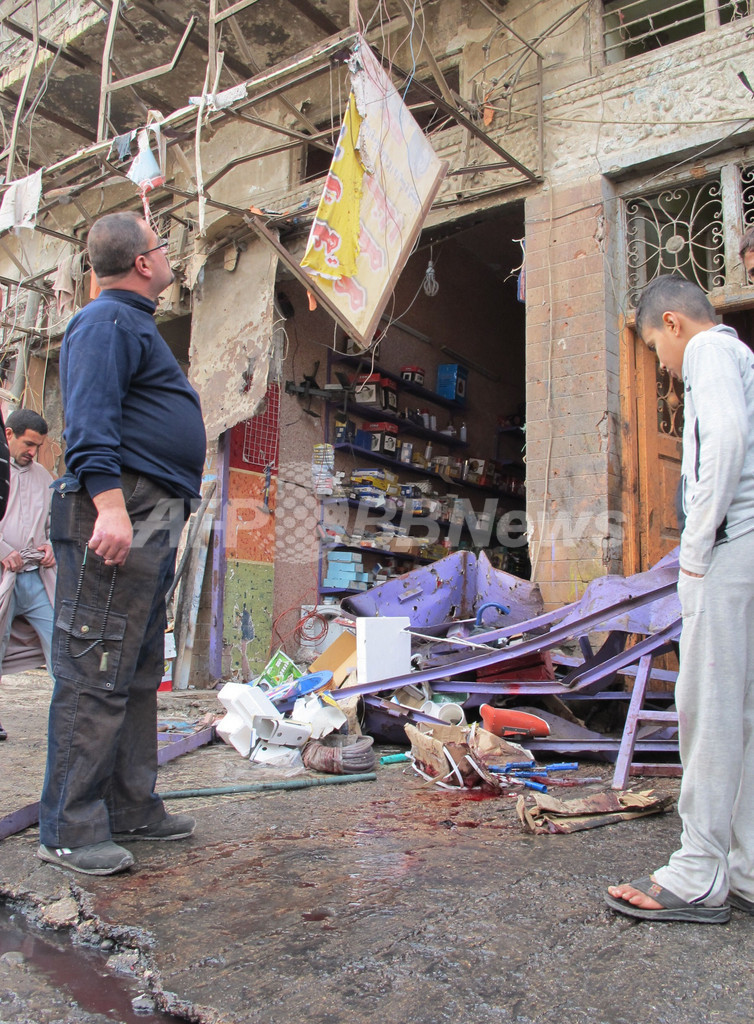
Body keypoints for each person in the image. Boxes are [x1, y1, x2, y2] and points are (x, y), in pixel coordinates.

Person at [38, 211, 206, 876]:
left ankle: (132, 806)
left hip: (152, 509)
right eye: (161, 246)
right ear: (142, 262)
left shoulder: (131, 323)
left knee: (135, 668)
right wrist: (109, 505)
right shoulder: (104, 321)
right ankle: (70, 828)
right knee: (95, 664)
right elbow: (88, 420)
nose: (167, 256)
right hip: (121, 508)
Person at [606, 274, 754, 924]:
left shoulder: (709, 351)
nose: (661, 366)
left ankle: (697, 874)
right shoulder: (739, 357)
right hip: (746, 546)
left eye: (652, 348)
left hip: (730, 547)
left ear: (672, 324)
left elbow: (724, 441)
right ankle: (744, 870)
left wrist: (693, 552)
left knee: (707, 709)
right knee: (742, 716)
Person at [0, 410, 56, 739]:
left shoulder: (44, 476)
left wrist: (50, 546)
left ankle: (69, 717)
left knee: (60, 644)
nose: (33, 451)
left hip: (36, 578)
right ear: (9, 434)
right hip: (3, 577)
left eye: (38, 446)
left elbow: (52, 525)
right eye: (28, 444)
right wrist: (2, 550)